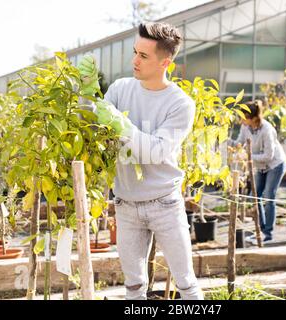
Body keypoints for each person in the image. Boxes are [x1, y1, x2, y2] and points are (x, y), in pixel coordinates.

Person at [78, 22, 203, 300]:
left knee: (186, 284)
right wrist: (88, 93)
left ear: (165, 63)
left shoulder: (180, 104)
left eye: (143, 56)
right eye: (135, 52)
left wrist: (122, 125)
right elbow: (89, 124)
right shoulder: (122, 88)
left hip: (165, 204)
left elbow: (156, 151)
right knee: (133, 288)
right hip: (125, 205)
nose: (134, 60)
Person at [233, 100, 286, 243]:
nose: (241, 120)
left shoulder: (266, 130)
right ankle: (260, 231)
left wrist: (248, 156)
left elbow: (268, 155)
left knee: (269, 197)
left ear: (253, 118)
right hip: (260, 166)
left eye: (243, 117)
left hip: (275, 165)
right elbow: (240, 141)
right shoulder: (246, 127)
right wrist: (229, 144)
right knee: (255, 197)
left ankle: (268, 234)